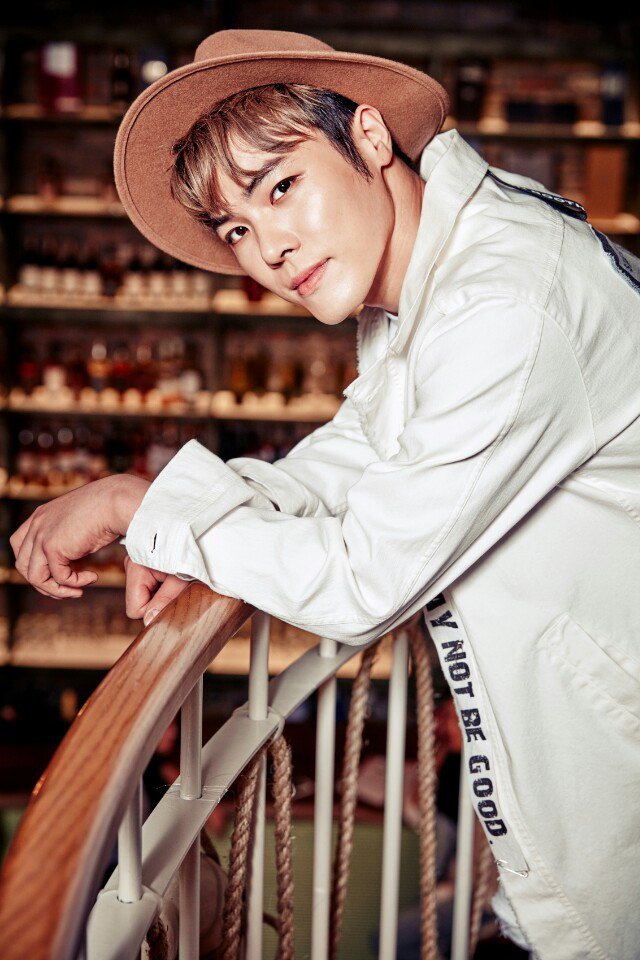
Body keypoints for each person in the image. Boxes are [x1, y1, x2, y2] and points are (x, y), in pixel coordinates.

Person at [9, 28, 640, 960]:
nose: (269, 249)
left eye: (280, 186)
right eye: (235, 228)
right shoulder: (441, 269)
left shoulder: (503, 299)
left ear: (372, 138)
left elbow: (362, 581)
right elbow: (347, 462)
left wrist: (144, 510)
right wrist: (170, 512)